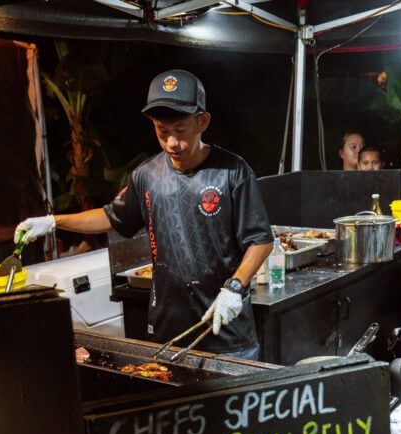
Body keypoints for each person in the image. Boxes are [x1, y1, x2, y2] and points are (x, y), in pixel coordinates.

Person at [15, 69, 273, 360]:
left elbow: (261, 240)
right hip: (168, 326)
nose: (172, 143)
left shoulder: (233, 171)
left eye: (180, 130)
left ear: (202, 121)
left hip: (225, 325)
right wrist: (53, 222)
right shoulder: (146, 175)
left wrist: (235, 288)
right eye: (162, 131)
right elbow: (112, 217)